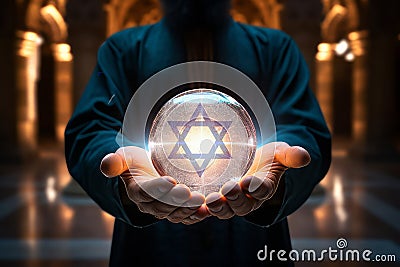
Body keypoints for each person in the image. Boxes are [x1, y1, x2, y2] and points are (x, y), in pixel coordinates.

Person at [65, 0, 331, 266]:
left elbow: (301, 127)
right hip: (153, 239)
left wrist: (278, 177)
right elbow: (91, 130)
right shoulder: (122, 49)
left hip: (250, 236)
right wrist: (124, 183)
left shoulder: (275, 48)